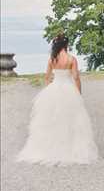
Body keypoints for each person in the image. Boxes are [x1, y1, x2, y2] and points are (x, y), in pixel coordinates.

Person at [15, 33, 98, 166]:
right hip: (68, 89)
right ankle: (69, 148)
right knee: (71, 120)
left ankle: (49, 149)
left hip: (54, 88)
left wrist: (48, 90)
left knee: (51, 120)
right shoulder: (72, 59)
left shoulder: (52, 59)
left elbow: (47, 77)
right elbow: (76, 77)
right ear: (67, 45)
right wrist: (79, 93)